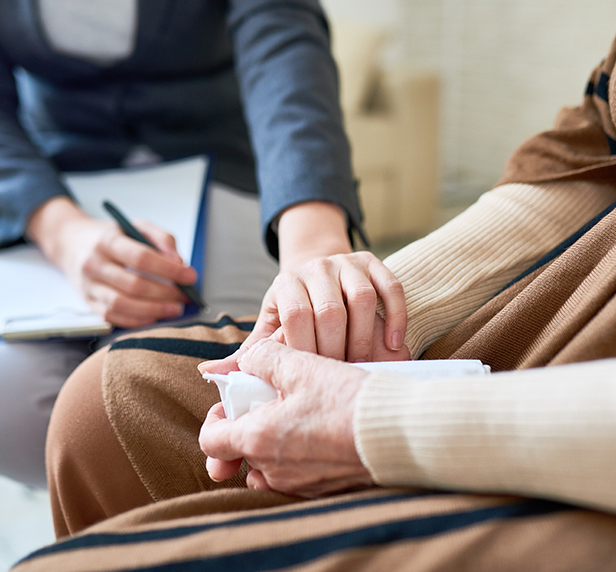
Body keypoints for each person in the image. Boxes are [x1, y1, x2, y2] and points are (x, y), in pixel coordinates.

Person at [20, 31, 616, 571]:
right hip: (580, 294)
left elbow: (280, 45)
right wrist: (369, 310)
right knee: (102, 410)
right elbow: (593, 147)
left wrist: (380, 425)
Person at [0, 0, 408, 488]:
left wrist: (312, 236)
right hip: (55, 189)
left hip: (222, 168)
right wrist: (61, 231)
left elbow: (283, 47)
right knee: (14, 410)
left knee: (196, 395)